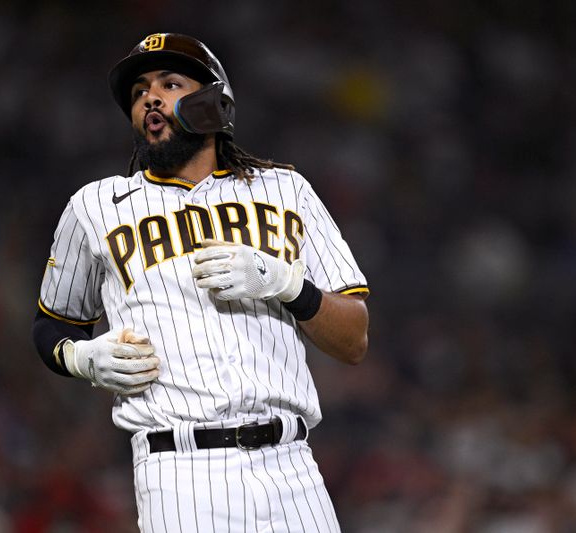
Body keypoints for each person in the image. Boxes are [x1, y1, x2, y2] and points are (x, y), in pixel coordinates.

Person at [32, 32, 369, 532]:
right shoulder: (93, 207)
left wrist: (286, 284)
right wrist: (82, 357)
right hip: (178, 471)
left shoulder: (286, 190)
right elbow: (50, 325)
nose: (149, 96)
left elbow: (355, 339)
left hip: (292, 468)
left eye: (170, 83)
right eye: (139, 91)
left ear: (215, 102)